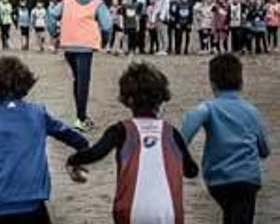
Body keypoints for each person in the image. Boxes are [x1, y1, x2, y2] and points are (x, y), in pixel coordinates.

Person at [0, 57, 90, 223]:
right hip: (32, 200)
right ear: (25, 84)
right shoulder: (37, 113)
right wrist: (79, 157)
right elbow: (71, 136)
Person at [66, 62, 199, 224]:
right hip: (169, 212)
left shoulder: (120, 130)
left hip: (130, 211)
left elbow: (95, 153)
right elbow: (191, 171)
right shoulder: (171, 132)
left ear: (127, 100)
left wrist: (72, 161)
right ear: (161, 98)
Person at [181, 54, 270, 224]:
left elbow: (186, 131)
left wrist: (180, 153)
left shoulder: (208, 108)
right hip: (247, 178)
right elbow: (264, 150)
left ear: (212, 83)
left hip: (217, 179)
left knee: (230, 215)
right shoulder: (252, 111)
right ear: (241, 82)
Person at [47, 0, 112, 131]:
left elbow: (51, 14)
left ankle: (81, 115)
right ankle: (81, 118)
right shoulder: (98, 3)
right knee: (83, 81)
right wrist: (104, 41)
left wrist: (54, 33)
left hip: (68, 45)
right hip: (86, 46)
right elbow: (107, 25)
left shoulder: (67, 2)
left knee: (78, 79)